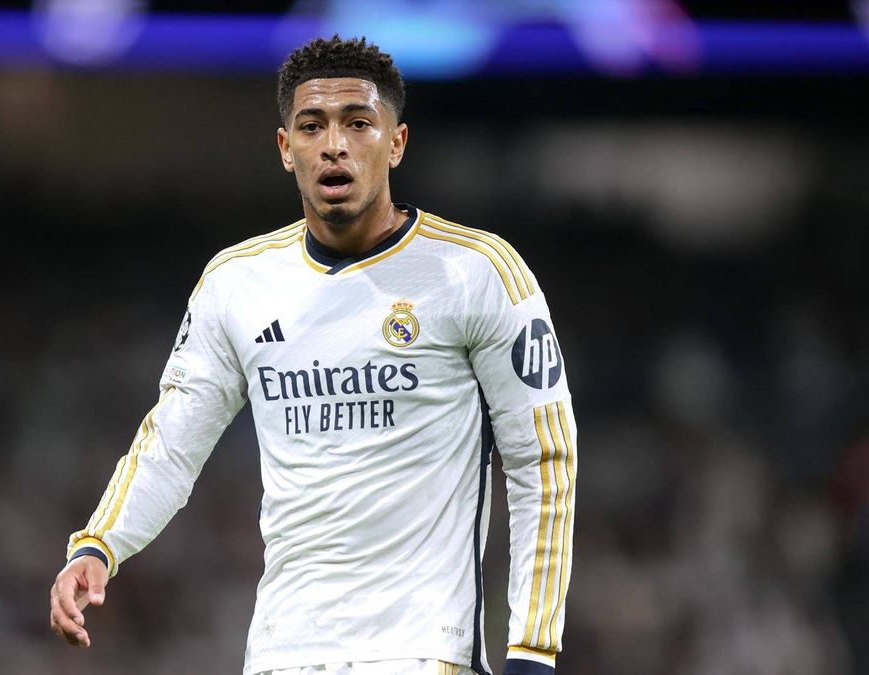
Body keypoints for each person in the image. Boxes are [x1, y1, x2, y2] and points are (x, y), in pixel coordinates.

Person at [50, 35, 577, 675]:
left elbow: (543, 461)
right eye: (311, 125)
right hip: (282, 653)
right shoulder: (236, 284)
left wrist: (532, 649)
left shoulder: (477, 273)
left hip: (421, 651)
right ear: (285, 148)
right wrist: (98, 545)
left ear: (397, 143)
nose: (335, 144)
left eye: (358, 123)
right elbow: (170, 444)